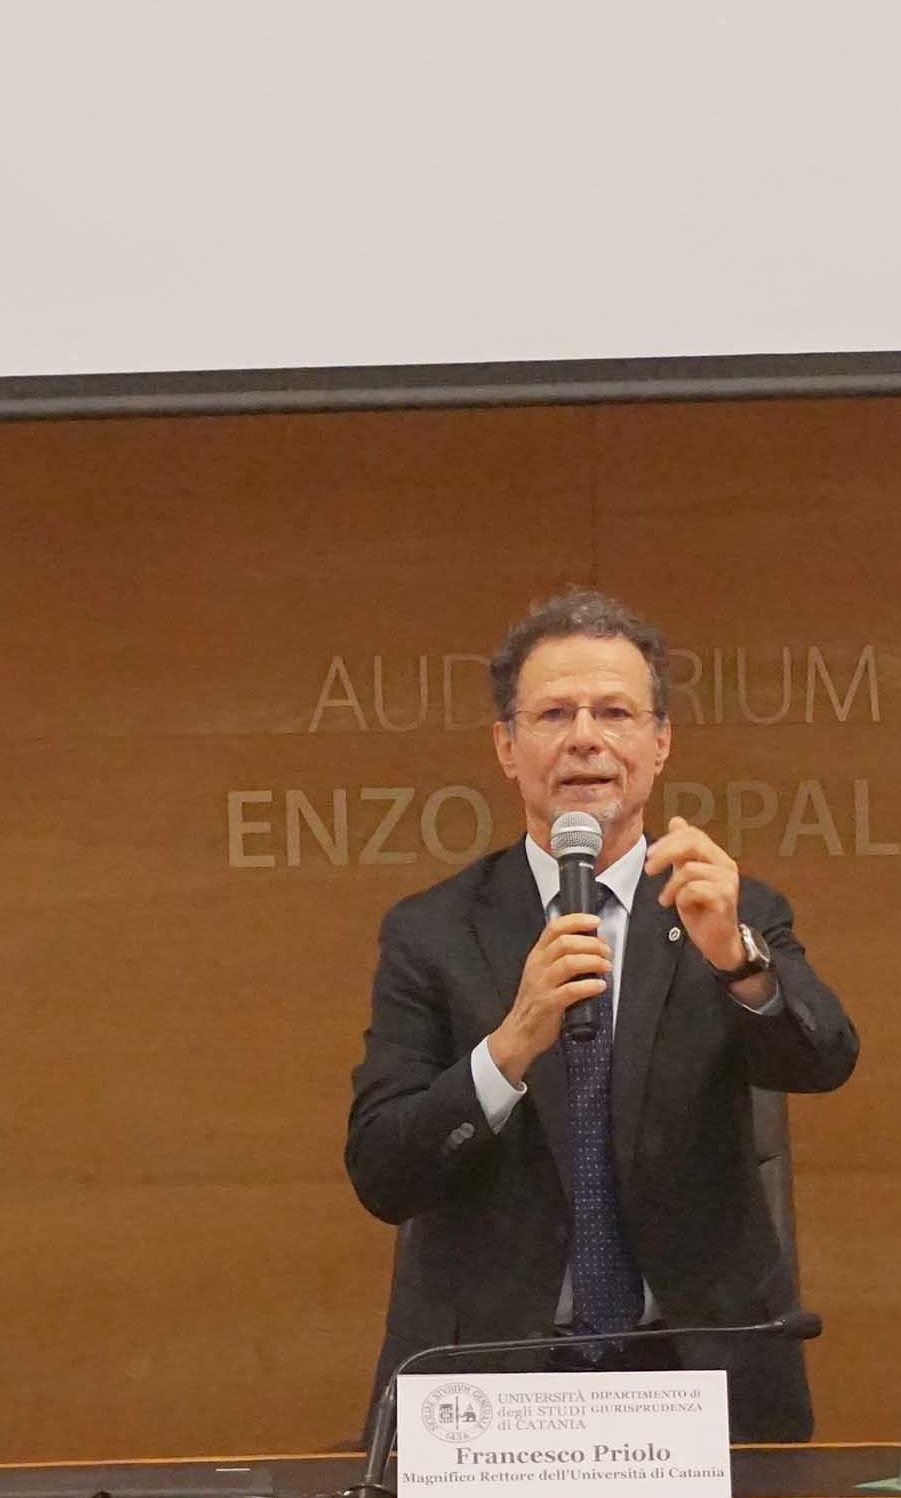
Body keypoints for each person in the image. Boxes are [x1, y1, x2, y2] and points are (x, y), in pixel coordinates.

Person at [344, 590, 861, 1440]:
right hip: (495, 1391)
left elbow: (826, 1059)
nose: (585, 736)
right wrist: (508, 1048)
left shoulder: (725, 908)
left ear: (659, 744)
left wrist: (739, 959)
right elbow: (383, 1172)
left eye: (615, 712)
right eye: (553, 713)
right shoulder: (434, 932)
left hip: (697, 1381)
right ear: (507, 747)